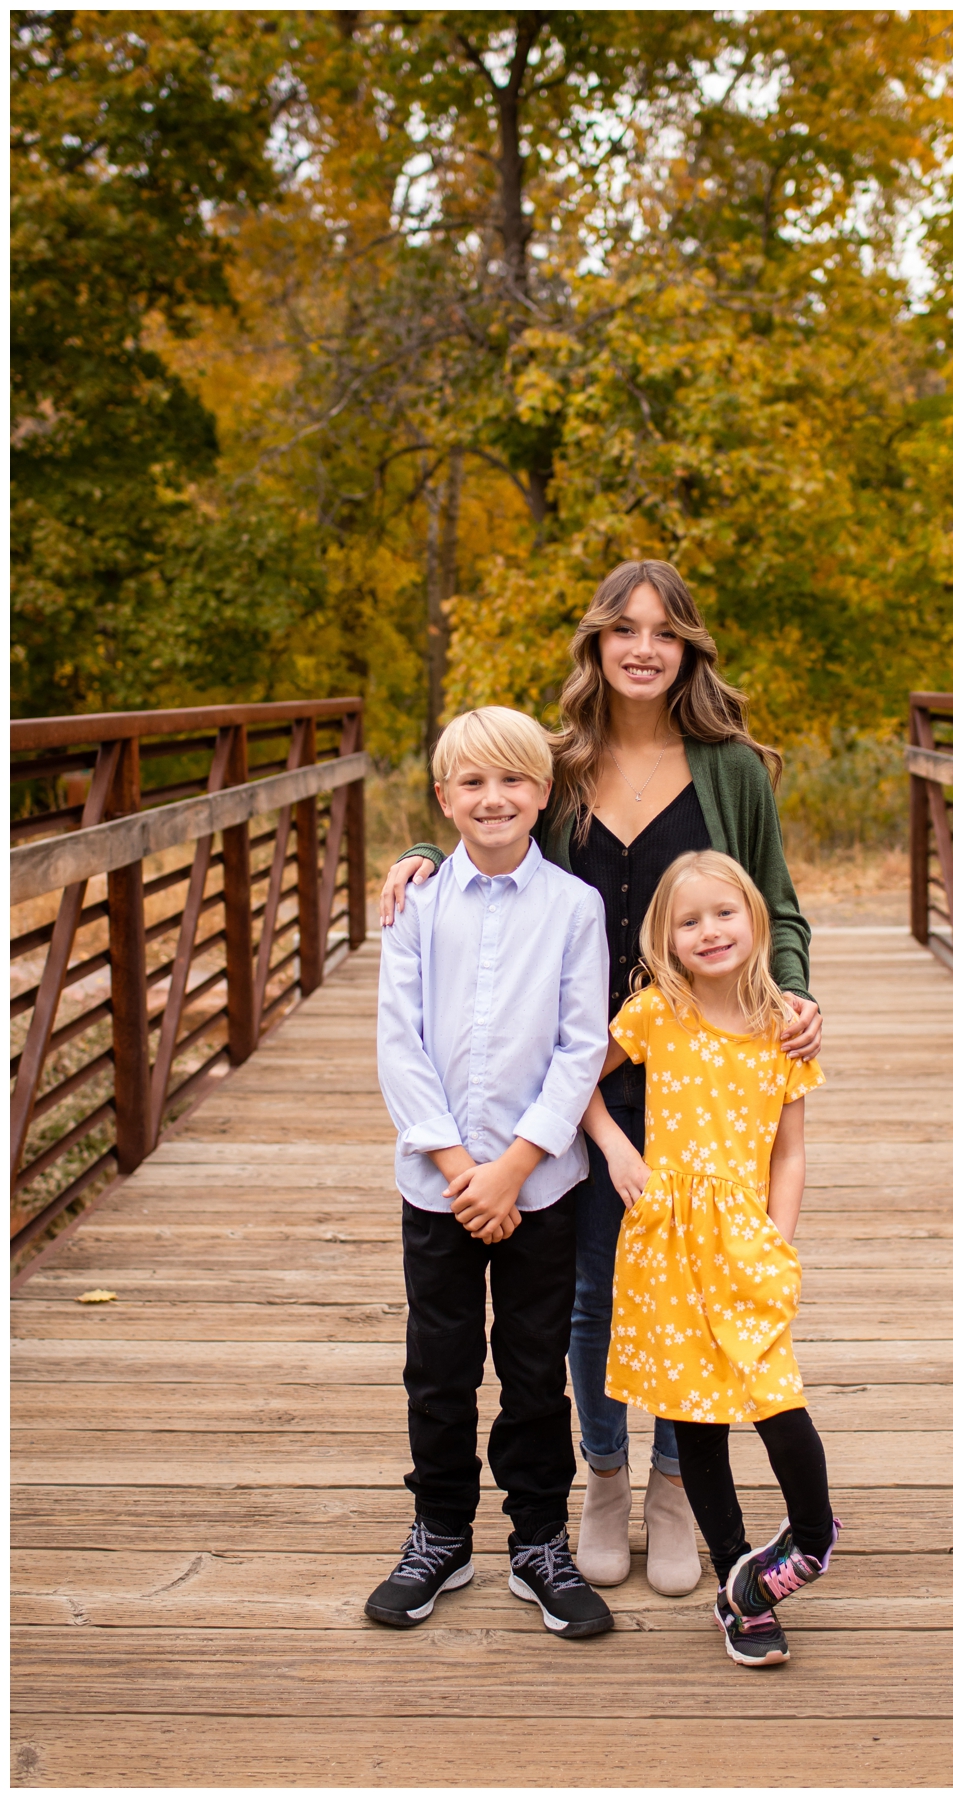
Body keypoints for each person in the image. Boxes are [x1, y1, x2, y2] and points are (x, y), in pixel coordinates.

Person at [379, 560, 823, 1596]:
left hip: (701, 1071)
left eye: (664, 631)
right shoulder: (561, 761)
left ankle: (678, 1479)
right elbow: (493, 827)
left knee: (697, 1280)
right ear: (597, 642)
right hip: (570, 1072)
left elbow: (778, 904)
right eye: (624, 628)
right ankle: (605, 1477)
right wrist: (415, 855)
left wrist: (793, 993)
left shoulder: (731, 770)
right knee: (587, 1292)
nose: (643, 647)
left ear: (689, 648)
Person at [367, 706, 613, 1638]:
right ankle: (439, 1534)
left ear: (543, 795)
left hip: (540, 1186)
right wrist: (458, 1167)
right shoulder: (416, 905)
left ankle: (539, 1540)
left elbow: (581, 1043)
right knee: (438, 1366)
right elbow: (400, 1045)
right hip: (435, 1185)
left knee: (533, 1367)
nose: (492, 798)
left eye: (512, 781)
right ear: (443, 799)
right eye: (470, 784)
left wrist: (512, 1169)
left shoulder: (573, 909)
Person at [581, 849, 836, 1667]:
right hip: (665, 1238)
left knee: (778, 1402)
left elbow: (790, 1154)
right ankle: (740, 1591)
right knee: (693, 1417)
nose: (709, 931)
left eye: (723, 913)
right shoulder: (658, 1012)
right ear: (667, 937)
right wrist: (619, 1150)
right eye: (689, 921)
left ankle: (812, 1541)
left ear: (755, 920)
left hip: (746, 1241)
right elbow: (577, 1079)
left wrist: (778, 1238)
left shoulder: (783, 1028)